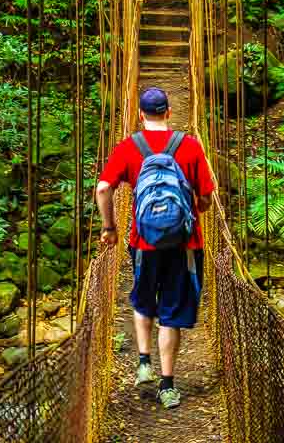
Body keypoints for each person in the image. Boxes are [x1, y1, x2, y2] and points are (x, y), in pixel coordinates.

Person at [96, 86, 215, 410]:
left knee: (143, 299)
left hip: (143, 243)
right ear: (168, 112)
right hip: (185, 244)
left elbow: (103, 188)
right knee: (172, 314)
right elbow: (205, 198)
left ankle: (144, 361)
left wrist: (110, 228)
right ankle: (167, 385)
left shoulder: (128, 147)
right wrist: (197, 205)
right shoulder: (189, 147)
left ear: (140, 115)